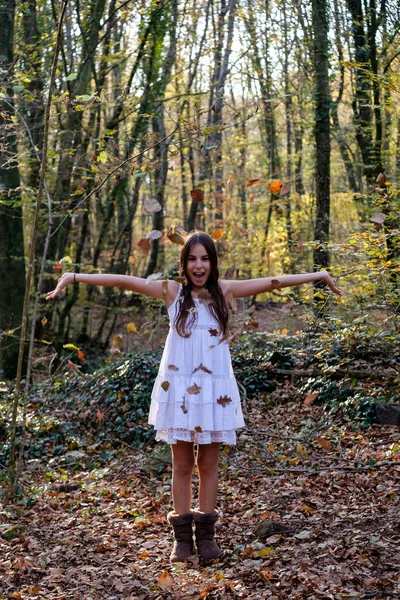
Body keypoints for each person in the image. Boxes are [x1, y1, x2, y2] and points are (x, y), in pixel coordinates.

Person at [47, 231, 342, 563]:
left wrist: (318, 275)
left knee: (210, 464)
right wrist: (72, 277)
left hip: (214, 392)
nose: (198, 265)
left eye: (205, 258)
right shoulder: (171, 292)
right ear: (183, 263)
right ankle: (182, 541)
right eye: (192, 259)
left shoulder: (223, 292)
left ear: (213, 263)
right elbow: (124, 282)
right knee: (183, 465)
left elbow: (273, 282)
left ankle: (206, 537)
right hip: (180, 391)